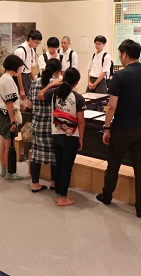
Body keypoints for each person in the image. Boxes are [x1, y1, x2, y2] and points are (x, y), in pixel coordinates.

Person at [96, 39, 141, 218]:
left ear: (124, 54)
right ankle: (140, 208)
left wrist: (107, 128)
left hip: (122, 129)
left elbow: (112, 107)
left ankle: (107, 196)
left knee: (113, 165)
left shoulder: (119, 77)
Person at [38, 68, 86, 206]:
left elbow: (39, 95)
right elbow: (81, 121)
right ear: (76, 83)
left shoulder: (54, 94)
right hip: (71, 136)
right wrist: (81, 138)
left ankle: (59, 194)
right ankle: (62, 197)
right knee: (67, 167)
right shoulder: (78, 98)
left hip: (56, 134)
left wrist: (52, 84)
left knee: (59, 164)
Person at [27, 58, 62, 192]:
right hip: (53, 126)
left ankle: (35, 184)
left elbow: (29, 105)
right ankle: (53, 182)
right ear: (58, 71)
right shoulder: (58, 84)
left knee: (36, 155)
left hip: (38, 124)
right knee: (54, 155)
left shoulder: (35, 82)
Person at [0, 54, 25, 180]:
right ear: (15, 67)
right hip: (7, 116)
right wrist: (13, 121)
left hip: (0, 114)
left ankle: (3, 169)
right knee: (8, 145)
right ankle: (10, 172)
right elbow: (10, 103)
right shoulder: (9, 80)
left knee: (3, 143)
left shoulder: (3, 78)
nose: (21, 69)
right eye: (20, 67)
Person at [13, 29, 42, 105]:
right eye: (36, 42)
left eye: (38, 43)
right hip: (21, 77)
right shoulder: (21, 51)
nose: (37, 45)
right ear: (30, 39)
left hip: (28, 76)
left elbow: (31, 67)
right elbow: (17, 72)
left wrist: (35, 82)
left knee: (30, 101)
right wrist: (21, 89)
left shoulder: (32, 50)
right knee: (23, 102)